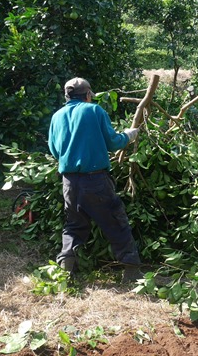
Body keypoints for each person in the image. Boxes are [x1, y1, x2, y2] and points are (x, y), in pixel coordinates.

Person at [48, 77, 142, 282]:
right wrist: (129, 135)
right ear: (88, 95)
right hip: (95, 180)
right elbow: (112, 142)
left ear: (67, 96)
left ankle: (65, 269)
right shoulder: (94, 111)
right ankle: (132, 271)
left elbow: (55, 151)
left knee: (74, 225)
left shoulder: (57, 116)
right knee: (115, 222)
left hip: (70, 182)